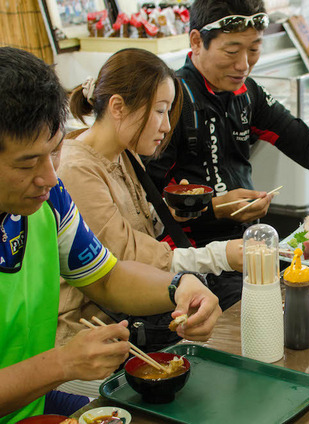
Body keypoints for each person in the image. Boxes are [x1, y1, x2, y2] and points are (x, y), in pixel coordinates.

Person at [0, 47, 220, 423]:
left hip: (32, 405)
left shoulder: (49, 201)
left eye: (54, 152)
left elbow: (106, 276)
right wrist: (62, 363)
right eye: (27, 162)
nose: (51, 177)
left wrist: (179, 287)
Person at [145, 0, 309, 248]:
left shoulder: (247, 93)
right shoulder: (171, 101)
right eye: (232, 51)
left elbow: (304, 143)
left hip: (246, 246)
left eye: (254, 50)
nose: (244, 65)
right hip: (189, 257)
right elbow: (148, 205)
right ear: (196, 41)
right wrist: (215, 208)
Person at [56, 49, 243, 348]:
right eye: (160, 110)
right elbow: (126, 258)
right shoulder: (76, 170)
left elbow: (141, 228)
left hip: (136, 319)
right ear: (117, 106)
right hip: (94, 335)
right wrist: (222, 256)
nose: (167, 126)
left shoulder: (125, 153)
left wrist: (175, 211)